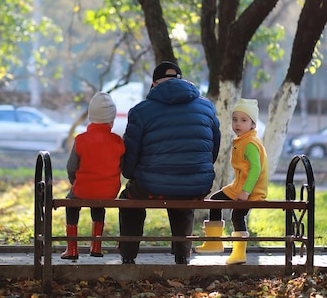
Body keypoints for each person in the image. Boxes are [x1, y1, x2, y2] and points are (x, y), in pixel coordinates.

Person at [118, 61, 221, 265]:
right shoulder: (207, 107)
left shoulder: (141, 111)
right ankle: (182, 254)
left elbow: (130, 158)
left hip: (151, 186)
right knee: (184, 193)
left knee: (128, 199)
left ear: (154, 84)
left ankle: (128, 254)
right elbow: (214, 150)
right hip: (197, 185)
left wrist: (131, 174)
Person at [195, 98, 268, 265]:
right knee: (215, 200)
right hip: (239, 186)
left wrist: (246, 191)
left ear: (253, 124)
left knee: (237, 215)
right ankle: (214, 242)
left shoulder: (250, 143)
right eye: (235, 119)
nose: (237, 124)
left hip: (250, 190)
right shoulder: (242, 140)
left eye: (243, 120)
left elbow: (256, 169)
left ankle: (239, 253)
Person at [61, 91, 125, 260]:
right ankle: (96, 246)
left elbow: (71, 167)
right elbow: (123, 167)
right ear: (111, 119)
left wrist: (75, 183)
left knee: (71, 204)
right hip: (108, 191)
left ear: (91, 117)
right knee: (99, 204)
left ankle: (72, 249)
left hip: (83, 188)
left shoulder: (81, 140)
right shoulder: (118, 141)